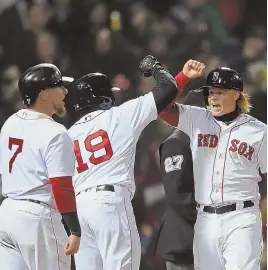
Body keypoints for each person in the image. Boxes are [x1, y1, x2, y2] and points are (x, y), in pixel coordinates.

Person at [65, 55, 204, 270]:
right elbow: (167, 88)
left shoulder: (67, 135)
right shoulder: (119, 115)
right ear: (105, 98)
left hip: (79, 211)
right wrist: (156, 69)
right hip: (110, 203)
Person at [159, 66, 267, 270]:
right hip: (205, 219)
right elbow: (161, 108)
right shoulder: (197, 119)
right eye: (211, 92)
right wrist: (182, 78)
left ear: (236, 94)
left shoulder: (259, 131)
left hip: (242, 217)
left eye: (220, 92)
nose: (213, 97)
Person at [0, 63, 81, 270]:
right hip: (38, 219)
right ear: (43, 94)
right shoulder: (55, 132)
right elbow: (61, 186)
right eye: (58, 86)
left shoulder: (10, 123)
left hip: (7, 213)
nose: (64, 91)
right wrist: (74, 230)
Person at [154, 90, 206, 270]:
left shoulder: (205, 142)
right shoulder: (177, 142)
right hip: (186, 240)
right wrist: (212, 216)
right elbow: (179, 194)